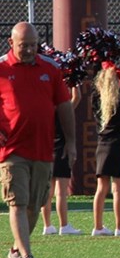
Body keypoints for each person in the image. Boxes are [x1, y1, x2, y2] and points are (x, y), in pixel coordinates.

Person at [0, 22, 75, 258]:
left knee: (35, 204)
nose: (30, 50)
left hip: (43, 148)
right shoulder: (1, 68)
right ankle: (26, 256)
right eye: (24, 46)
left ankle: (14, 251)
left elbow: (64, 105)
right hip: (11, 149)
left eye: (33, 45)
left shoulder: (50, 69)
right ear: (12, 43)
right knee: (18, 203)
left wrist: (72, 141)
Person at [91, 62, 120, 236]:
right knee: (117, 188)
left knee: (101, 188)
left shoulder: (95, 99)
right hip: (116, 146)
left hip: (101, 146)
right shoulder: (119, 97)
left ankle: (97, 227)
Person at [42, 84, 83, 236]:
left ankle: (47, 225)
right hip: (62, 151)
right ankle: (63, 225)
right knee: (61, 192)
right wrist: (74, 82)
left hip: (47, 151)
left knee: (48, 191)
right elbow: (77, 97)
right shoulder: (64, 112)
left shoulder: (44, 113)